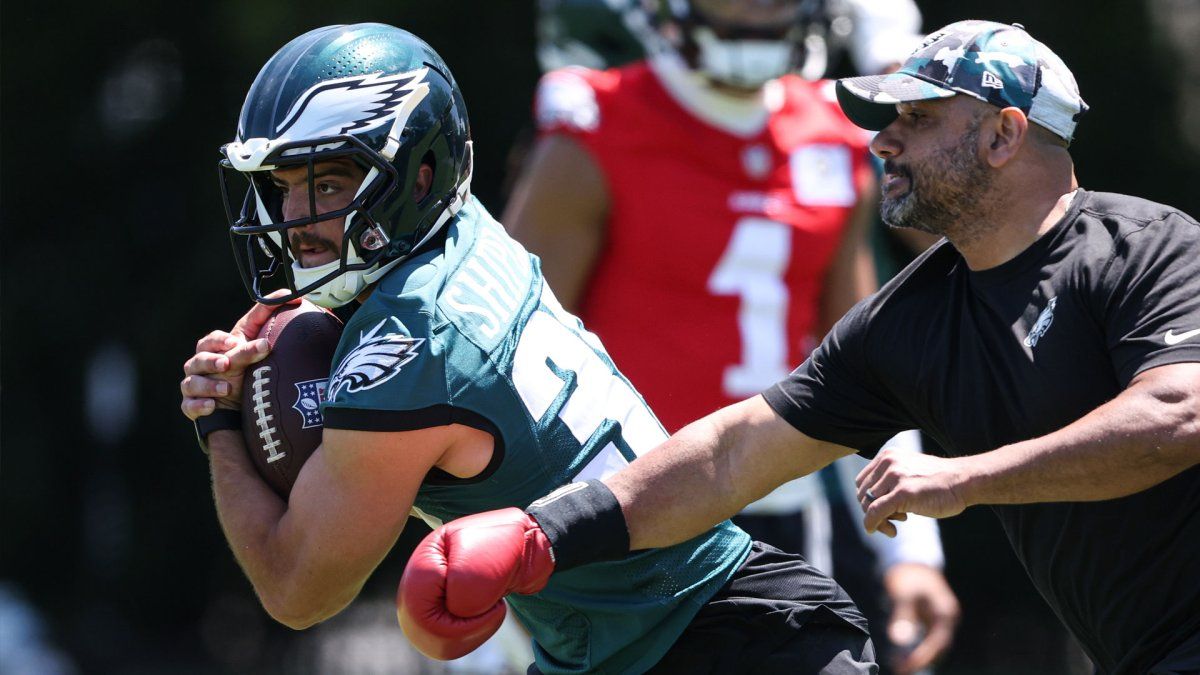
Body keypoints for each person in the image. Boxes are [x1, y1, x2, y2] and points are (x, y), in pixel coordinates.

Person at [406, 19, 1200, 675]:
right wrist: (544, 535)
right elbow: (730, 453)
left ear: (1004, 134)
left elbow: (1177, 413)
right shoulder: (912, 316)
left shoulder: (1148, 244)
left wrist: (965, 478)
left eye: (917, 119)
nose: (883, 142)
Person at [181, 22, 877, 674]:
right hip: (700, 621)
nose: (296, 219)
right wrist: (278, 322)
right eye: (282, 186)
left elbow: (298, 589)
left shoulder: (408, 349)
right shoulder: (465, 233)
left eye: (327, 183)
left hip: (707, 644)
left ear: (416, 177)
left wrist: (219, 424)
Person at [506, 1, 957, 670]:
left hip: (790, 513)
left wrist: (912, 549)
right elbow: (508, 363)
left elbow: (865, 365)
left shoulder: (831, 132)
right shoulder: (597, 129)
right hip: (632, 516)